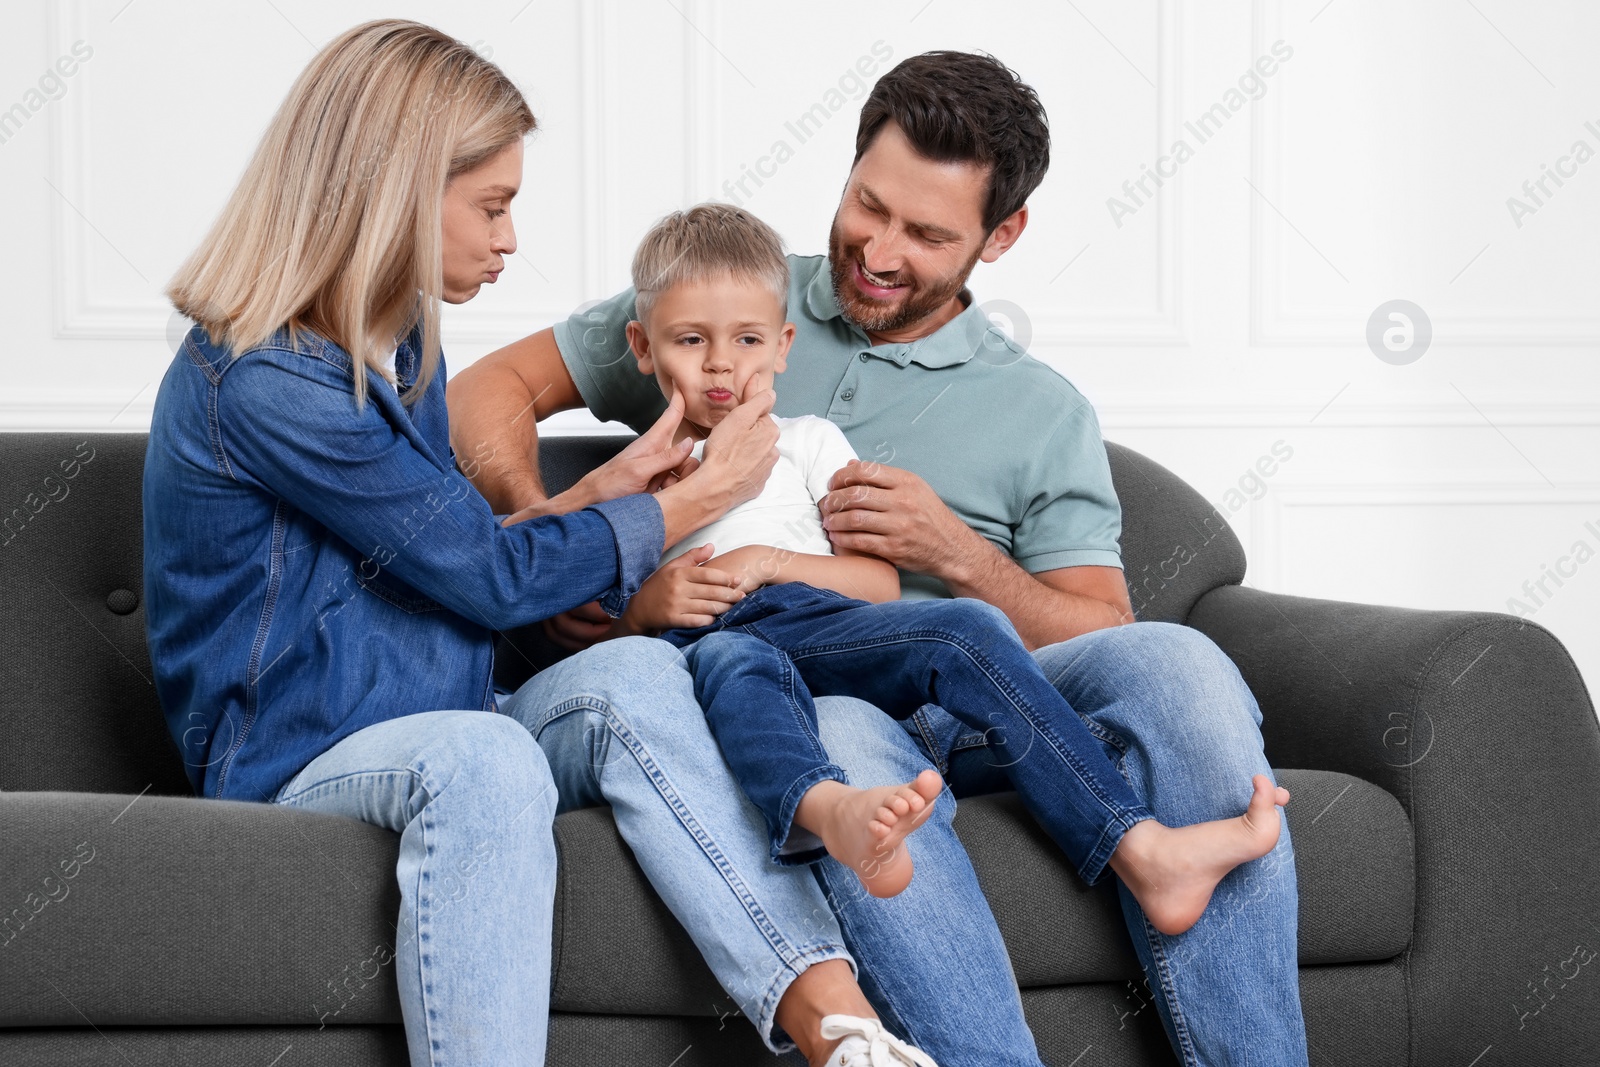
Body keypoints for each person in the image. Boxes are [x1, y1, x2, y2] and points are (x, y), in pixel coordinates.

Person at [451, 50, 1312, 1066]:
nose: (879, 250)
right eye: (868, 206)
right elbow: (484, 391)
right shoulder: (732, 301)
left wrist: (955, 554)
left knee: (1183, 665)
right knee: (852, 733)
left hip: (975, 695)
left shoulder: (1038, 409)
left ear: (1003, 235)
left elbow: (1099, 625)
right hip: (800, 690)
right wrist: (562, 535)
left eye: (928, 233)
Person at [143, 20, 938, 1067]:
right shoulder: (267, 381)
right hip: (297, 751)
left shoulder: (398, 341)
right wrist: (695, 501)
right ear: (394, 190)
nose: (509, 238)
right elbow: (481, 575)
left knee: (642, 674)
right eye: (492, 205)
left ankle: (842, 1034)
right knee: (485, 760)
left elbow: (447, 550)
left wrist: (606, 486)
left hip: (435, 709)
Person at [608, 202, 1291, 926]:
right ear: (643, 346)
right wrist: (652, 601)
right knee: (733, 673)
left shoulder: (806, 443)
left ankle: (1139, 847)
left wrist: (769, 560)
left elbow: (877, 585)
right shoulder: (637, 475)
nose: (720, 363)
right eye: (689, 339)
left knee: (965, 625)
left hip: (820, 623)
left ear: (783, 346)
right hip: (712, 643)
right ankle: (830, 814)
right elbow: (602, 618)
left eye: (746, 339)